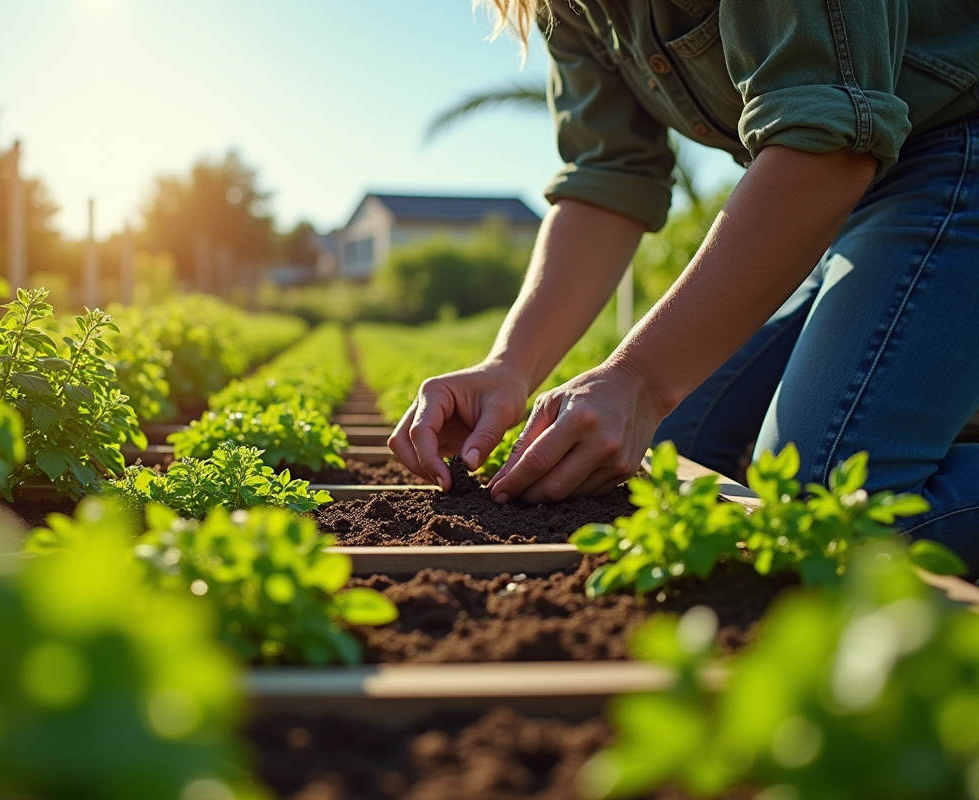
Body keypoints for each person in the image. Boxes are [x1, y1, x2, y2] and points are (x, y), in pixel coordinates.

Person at [389, 0, 979, 568]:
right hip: (847, 196)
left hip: (950, 150)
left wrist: (639, 380)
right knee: (681, 448)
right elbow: (608, 175)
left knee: (826, 507)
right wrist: (510, 365)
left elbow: (827, 142)